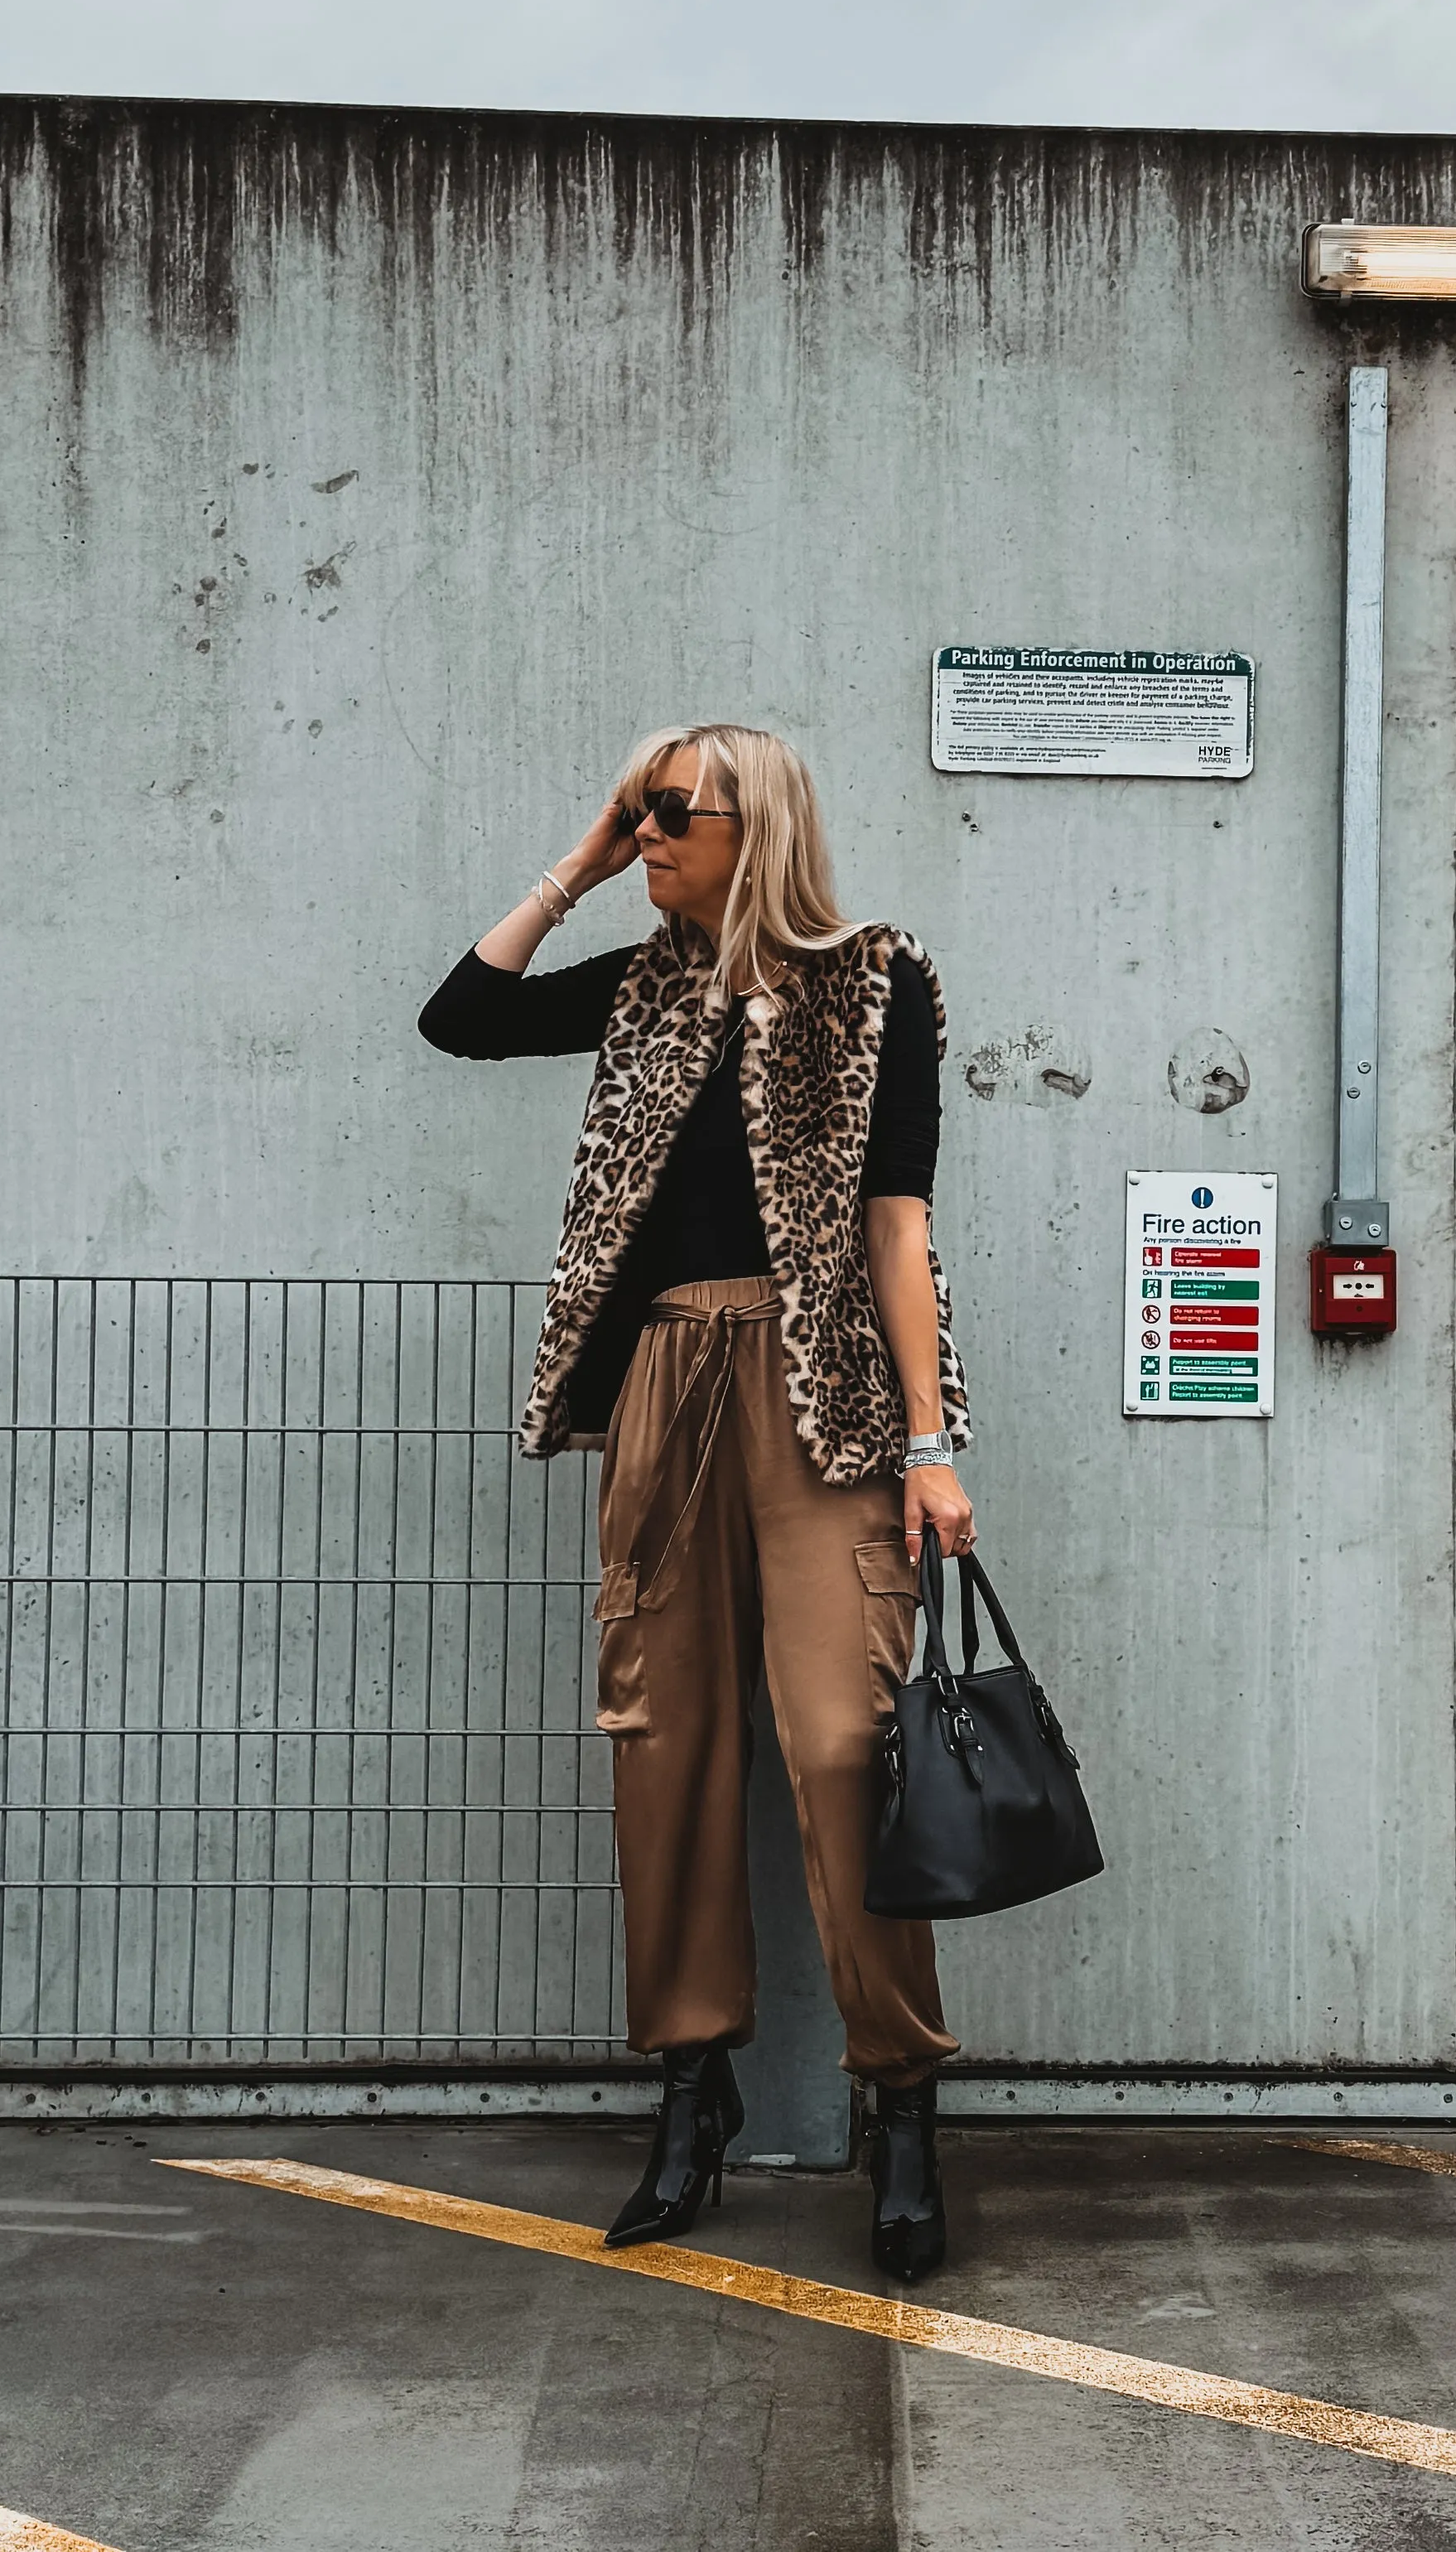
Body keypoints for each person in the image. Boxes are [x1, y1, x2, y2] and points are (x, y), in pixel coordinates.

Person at [419, 721, 975, 2282]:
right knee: (664, 1744)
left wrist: (934, 1443)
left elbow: (895, 1222)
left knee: (841, 1746)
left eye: (668, 812)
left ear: (758, 823)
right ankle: (691, 2087)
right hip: (666, 1383)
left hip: (821, 1395)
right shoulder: (643, 987)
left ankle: (904, 2102)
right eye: (638, 812)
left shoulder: (876, 980)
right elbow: (461, 1018)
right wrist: (578, 863)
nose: (648, 832)